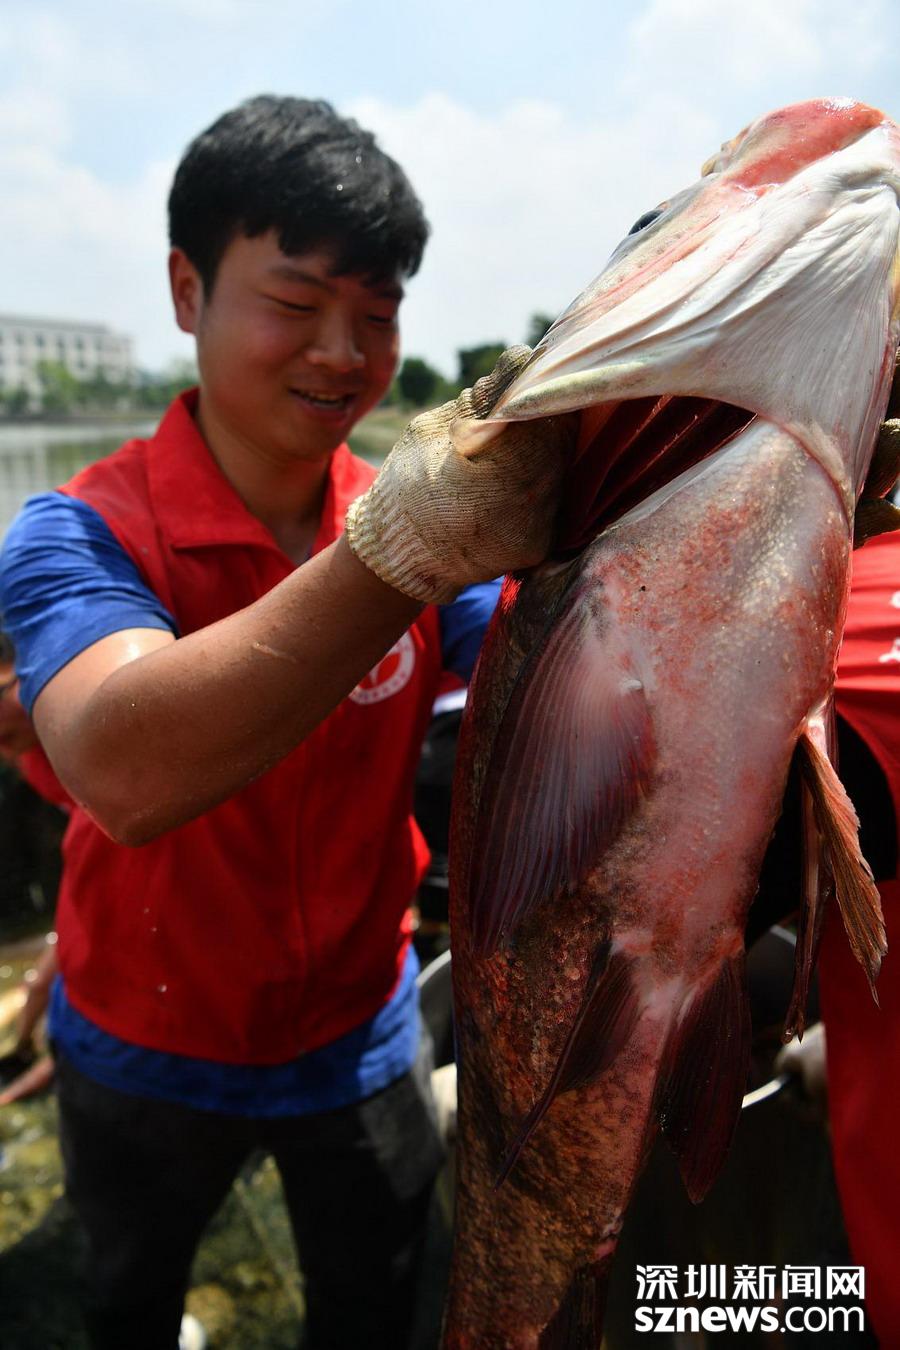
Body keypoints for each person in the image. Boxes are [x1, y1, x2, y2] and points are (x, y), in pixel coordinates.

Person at [0, 95, 570, 1350]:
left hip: (354, 1033)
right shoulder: (78, 532)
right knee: (128, 1299)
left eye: (378, 313)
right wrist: (403, 551)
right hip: (143, 1038)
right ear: (187, 290)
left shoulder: (433, 541)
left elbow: (546, 694)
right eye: (297, 302)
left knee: (373, 1308)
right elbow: (123, 767)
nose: (342, 352)